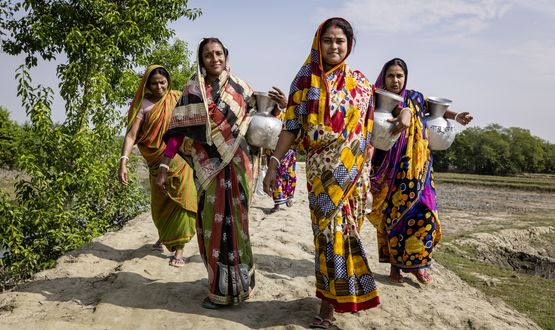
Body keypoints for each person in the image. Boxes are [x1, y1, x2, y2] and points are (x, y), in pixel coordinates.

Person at [263, 17, 380, 329]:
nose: (334, 46)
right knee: (326, 238)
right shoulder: (304, 80)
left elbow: (370, 131)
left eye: (340, 41)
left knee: (346, 234)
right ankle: (327, 308)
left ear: (349, 45)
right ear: (318, 42)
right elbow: (291, 127)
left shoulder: (362, 83)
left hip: (353, 176)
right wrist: (273, 165)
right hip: (320, 173)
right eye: (328, 40)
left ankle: (335, 300)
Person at [157, 38, 259, 309]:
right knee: (211, 227)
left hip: (238, 165)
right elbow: (179, 133)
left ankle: (242, 284)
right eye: (207, 55)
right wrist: (165, 165)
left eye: (218, 53)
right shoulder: (193, 89)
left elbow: (259, 129)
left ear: (226, 55)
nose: (214, 58)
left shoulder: (242, 89)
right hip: (207, 170)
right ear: (201, 60)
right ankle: (218, 288)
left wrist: (280, 107)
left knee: (238, 225)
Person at [368, 58, 473, 285]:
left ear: (405, 78)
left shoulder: (415, 97)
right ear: (383, 78)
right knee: (394, 218)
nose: (395, 80)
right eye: (391, 76)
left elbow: (437, 111)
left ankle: (419, 265)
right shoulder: (376, 99)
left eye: (399, 76)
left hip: (421, 167)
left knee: (426, 214)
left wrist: (456, 117)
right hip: (391, 169)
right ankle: (395, 268)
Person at [118, 65, 197, 268]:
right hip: (154, 161)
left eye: (163, 82)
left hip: (177, 160)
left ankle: (179, 250)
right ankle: (164, 236)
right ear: (147, 84)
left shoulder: (177, 98)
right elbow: (131, 135)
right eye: (154, 83)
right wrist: (123, 162)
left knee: (182, 199)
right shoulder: (143, 105)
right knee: (160, 205)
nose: (159, 86)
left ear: (168, 82)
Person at [266, 86, 297, 213]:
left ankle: (289, 196)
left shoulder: (286, 114)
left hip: (288, 152)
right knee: (276, 176)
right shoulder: (268, 118)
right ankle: (278, 203)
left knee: (290, 176)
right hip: (273, 153)